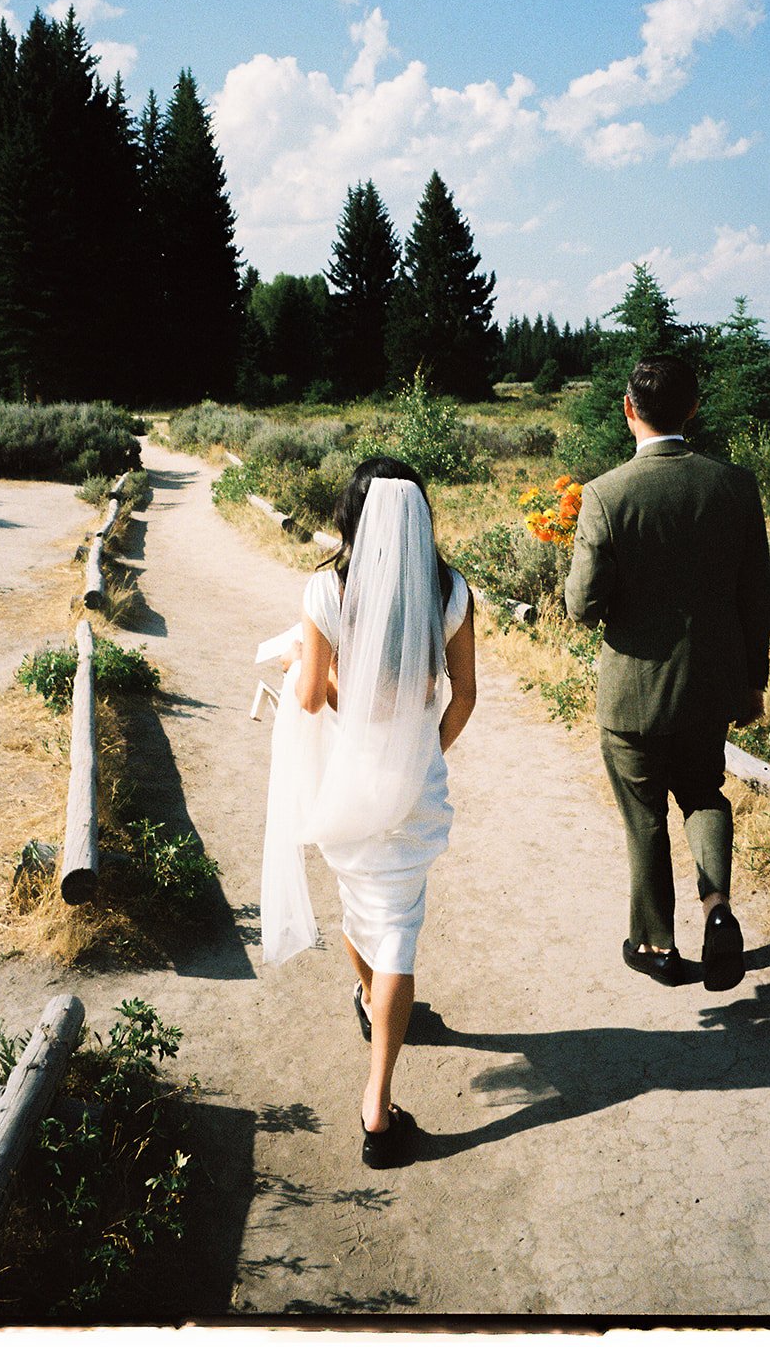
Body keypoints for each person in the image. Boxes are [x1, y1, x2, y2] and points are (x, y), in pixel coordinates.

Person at [261, 455, 476, 1167]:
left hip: (345, 783)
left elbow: (309, 699)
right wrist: (423, 754)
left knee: (361, 909)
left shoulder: (326, 589)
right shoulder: (449, 590)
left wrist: (301, 663)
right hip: (412, 792)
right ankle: (377, 1109)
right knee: (397, 933)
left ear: (351, 517)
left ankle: (371, 1006)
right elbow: (464, 695)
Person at [564, 356, 770, 991]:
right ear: (694, 408)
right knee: (704, 794)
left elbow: (582, 605)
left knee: (644, 815)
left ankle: (657, 945)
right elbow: (756, 594)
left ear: (629, 408)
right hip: (709, 688)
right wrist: (752, 682)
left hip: (633, 695)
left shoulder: (605, 495)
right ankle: (718, 910)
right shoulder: (735, 486)